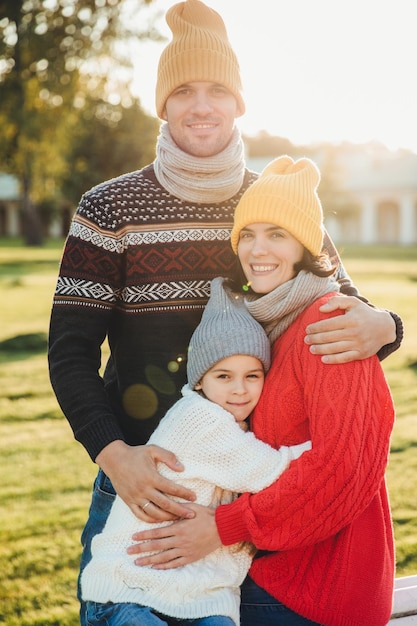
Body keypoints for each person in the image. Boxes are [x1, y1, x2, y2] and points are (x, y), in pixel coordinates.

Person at [47, 0, 402, 622]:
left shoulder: (275, 202)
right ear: (163, 104)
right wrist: (115, 457)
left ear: (240, 103)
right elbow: (69, 351)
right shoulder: (109, 208)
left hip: (244, 495)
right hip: (141, 483)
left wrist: (387, 326)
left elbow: (340, 301)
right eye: (184, 90)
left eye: (218, 89)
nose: (202, 105)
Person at [129, 156, 396, 626]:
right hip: (276, 567)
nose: (258, 249)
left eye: (277, 234)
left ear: (304, 246)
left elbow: (344, 471)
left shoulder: (328, 324)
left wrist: (222, 529)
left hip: (315, 589)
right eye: (248, 234)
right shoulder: (269, 325)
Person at [80, 276, 311, 626]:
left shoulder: (232, 422)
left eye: (253, 375)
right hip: (129, 589)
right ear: (200, 380)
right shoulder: (203, 419)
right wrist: (327, 445)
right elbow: (275, 472)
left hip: (198, 596)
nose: (240, 390)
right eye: (224, 376)